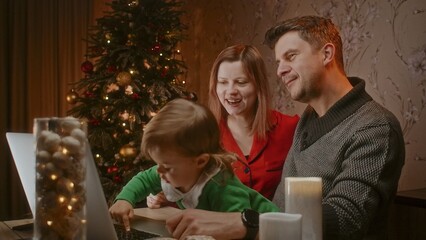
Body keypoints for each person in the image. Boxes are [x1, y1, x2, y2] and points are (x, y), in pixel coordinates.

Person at [164, 15, 405, 240]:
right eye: (279, 62)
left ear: (327, 54)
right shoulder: (309, 118)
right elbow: (279, 208)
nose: (279, 71)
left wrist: (245, 223)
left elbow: (346, 219)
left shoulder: (375, 127)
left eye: (290, 56)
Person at [146, 44, 299, 208]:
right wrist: (164, 198)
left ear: (258, 86)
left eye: (241, 82)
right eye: (223, 82)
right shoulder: (200, 133)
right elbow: (189, 192)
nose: (230, 91)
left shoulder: (291, 128)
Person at [109, 98, 280, 231]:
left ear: (200, 161)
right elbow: (144, 179)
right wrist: (124, 200)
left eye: (167, 166)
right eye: (157, 163)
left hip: (272, 231)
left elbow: (238, 227)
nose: (159, 171)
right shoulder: (168, 169)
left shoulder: (221, 187)